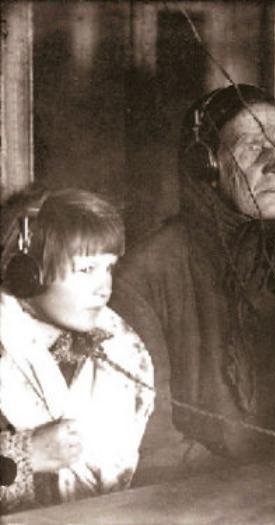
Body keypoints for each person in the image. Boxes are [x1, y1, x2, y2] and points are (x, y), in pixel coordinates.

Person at [110, 84, 275, 469]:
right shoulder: (148, 273)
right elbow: (151, 437)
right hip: (208, 494)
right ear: (207, 165)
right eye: (252, 146)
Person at [0, 187, 154, 512]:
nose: (105, 288)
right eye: (86, 270)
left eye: (109, 267)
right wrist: (25, 456)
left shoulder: (121, 348)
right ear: (27, 273)